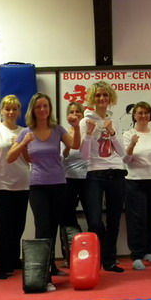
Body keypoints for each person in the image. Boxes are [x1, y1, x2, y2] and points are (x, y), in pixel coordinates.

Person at [7, 92, 80, 290]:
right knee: (42, 229)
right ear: (33, 110)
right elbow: (10, 157)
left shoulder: (57, 129)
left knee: (53, 228)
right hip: (38, 185)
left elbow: (75, 144)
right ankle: (44, 276)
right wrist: (23, 143)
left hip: (58, 184)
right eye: (38, 106)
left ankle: (51, 265)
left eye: (45, 106)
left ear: (49, 109)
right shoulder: (26, 132)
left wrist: (76, 127)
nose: (42, 109)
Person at [80, 81, 127, 273]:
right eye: (98, 95)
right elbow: (83, 155)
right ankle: (95, 259)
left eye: (105, 95)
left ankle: (110, 260)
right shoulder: (85, 121)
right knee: (94, 221)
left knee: (114, 220)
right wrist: (89, 134)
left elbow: (123, 153)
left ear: (110, 98)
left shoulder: (115, 120)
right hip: (95, 173)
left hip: (116, 171)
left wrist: (112, 133)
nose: (101, 98)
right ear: (92, 98)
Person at [0, 94, 30, 280]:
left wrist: (22, 145)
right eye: (7, 109)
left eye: (14, 109)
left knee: (18, 225)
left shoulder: (24, 131)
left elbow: (29, 159)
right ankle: (1, 266)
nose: (11, 112)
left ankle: (13, 259)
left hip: (22, 183)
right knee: (4, 226)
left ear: (19, 112)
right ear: (1, 111)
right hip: (0, 183)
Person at [123, 101, 151, 270]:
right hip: (135, 181)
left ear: (150, 115)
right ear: (134, 115)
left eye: (146, 113)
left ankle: (149, 251)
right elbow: (125, 160)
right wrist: (132, 144)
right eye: (140, 113)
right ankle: (136, 255)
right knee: (137, 219)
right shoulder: (128, 134)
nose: (143, 116)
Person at [60, 101, 87, 267]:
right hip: (67, 180)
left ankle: (97, 255)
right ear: (67, 115)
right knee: (66, 218)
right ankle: (69, 256)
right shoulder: (62, 133)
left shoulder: (89, 132)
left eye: (78, 112)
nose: (75, 114)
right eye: (72, 112)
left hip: (87, 179)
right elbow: (59, 158)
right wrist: (66, 150)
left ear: (83, 115)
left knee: (94, 218)